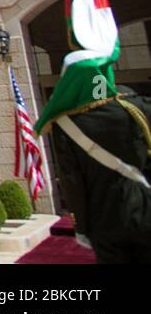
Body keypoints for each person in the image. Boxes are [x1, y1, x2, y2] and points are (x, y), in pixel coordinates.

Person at [43, 85, 151, 263]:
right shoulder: (139, 109)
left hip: (103, 216)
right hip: (145, 205)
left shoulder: (68, 125)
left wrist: (81, 226)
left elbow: (73, 184)